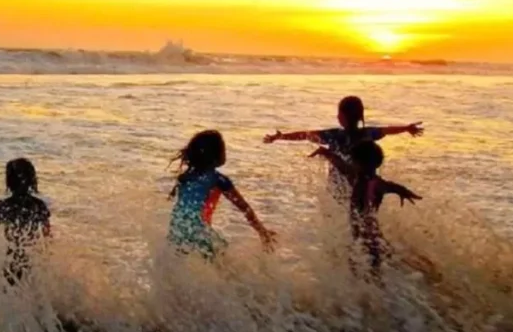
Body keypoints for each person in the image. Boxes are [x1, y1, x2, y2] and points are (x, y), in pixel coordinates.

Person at [309, 141, 431, 280]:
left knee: (372, 271)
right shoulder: (360, 177)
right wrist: (326, 153)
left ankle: (421, 270)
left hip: (368, 237)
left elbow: (388, 186)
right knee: (377, 263)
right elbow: (342, 166)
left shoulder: (371, 182)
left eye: (352, 160)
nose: (350, 162)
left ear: (357, 163)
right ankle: (419, 269)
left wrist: (404, 192)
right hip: (367, 234)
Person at [263, 96, 423, 201]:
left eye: (339, 113)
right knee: (365, 215)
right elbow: (387, 130)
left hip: (339, 186)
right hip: (368, 182)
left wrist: (280, 137)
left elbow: (305, 135)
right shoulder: (367, 133)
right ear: (360, 116)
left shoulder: (334, 135)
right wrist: (407, 128)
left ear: (342, 117)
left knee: (348, 216)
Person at [168, 130, 276, 259]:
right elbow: (244, 208)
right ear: (215, 155)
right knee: (222, 265)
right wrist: (262, 231)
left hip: (177, 230)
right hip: (199, 230)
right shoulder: (218, 180)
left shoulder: (185, 177)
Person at [0, 157, 52, 287]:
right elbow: (48, 238)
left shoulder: (4, 206)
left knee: (9, 292)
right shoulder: (38, 206)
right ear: (32, 181)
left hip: (11, 260)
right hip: (33, 261)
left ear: (9, 182)